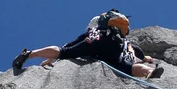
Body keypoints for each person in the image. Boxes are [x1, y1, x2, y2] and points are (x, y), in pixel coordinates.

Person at [12, 25, 164, 79]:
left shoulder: (93, 31)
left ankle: (29, 54)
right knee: (127, 66)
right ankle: (149, 73)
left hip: (93, 40)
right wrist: (148, 60)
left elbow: (72, 44)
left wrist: (52, 59)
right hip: (112, 47)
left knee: (64, 52)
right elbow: (141, 55)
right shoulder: (125, 41)